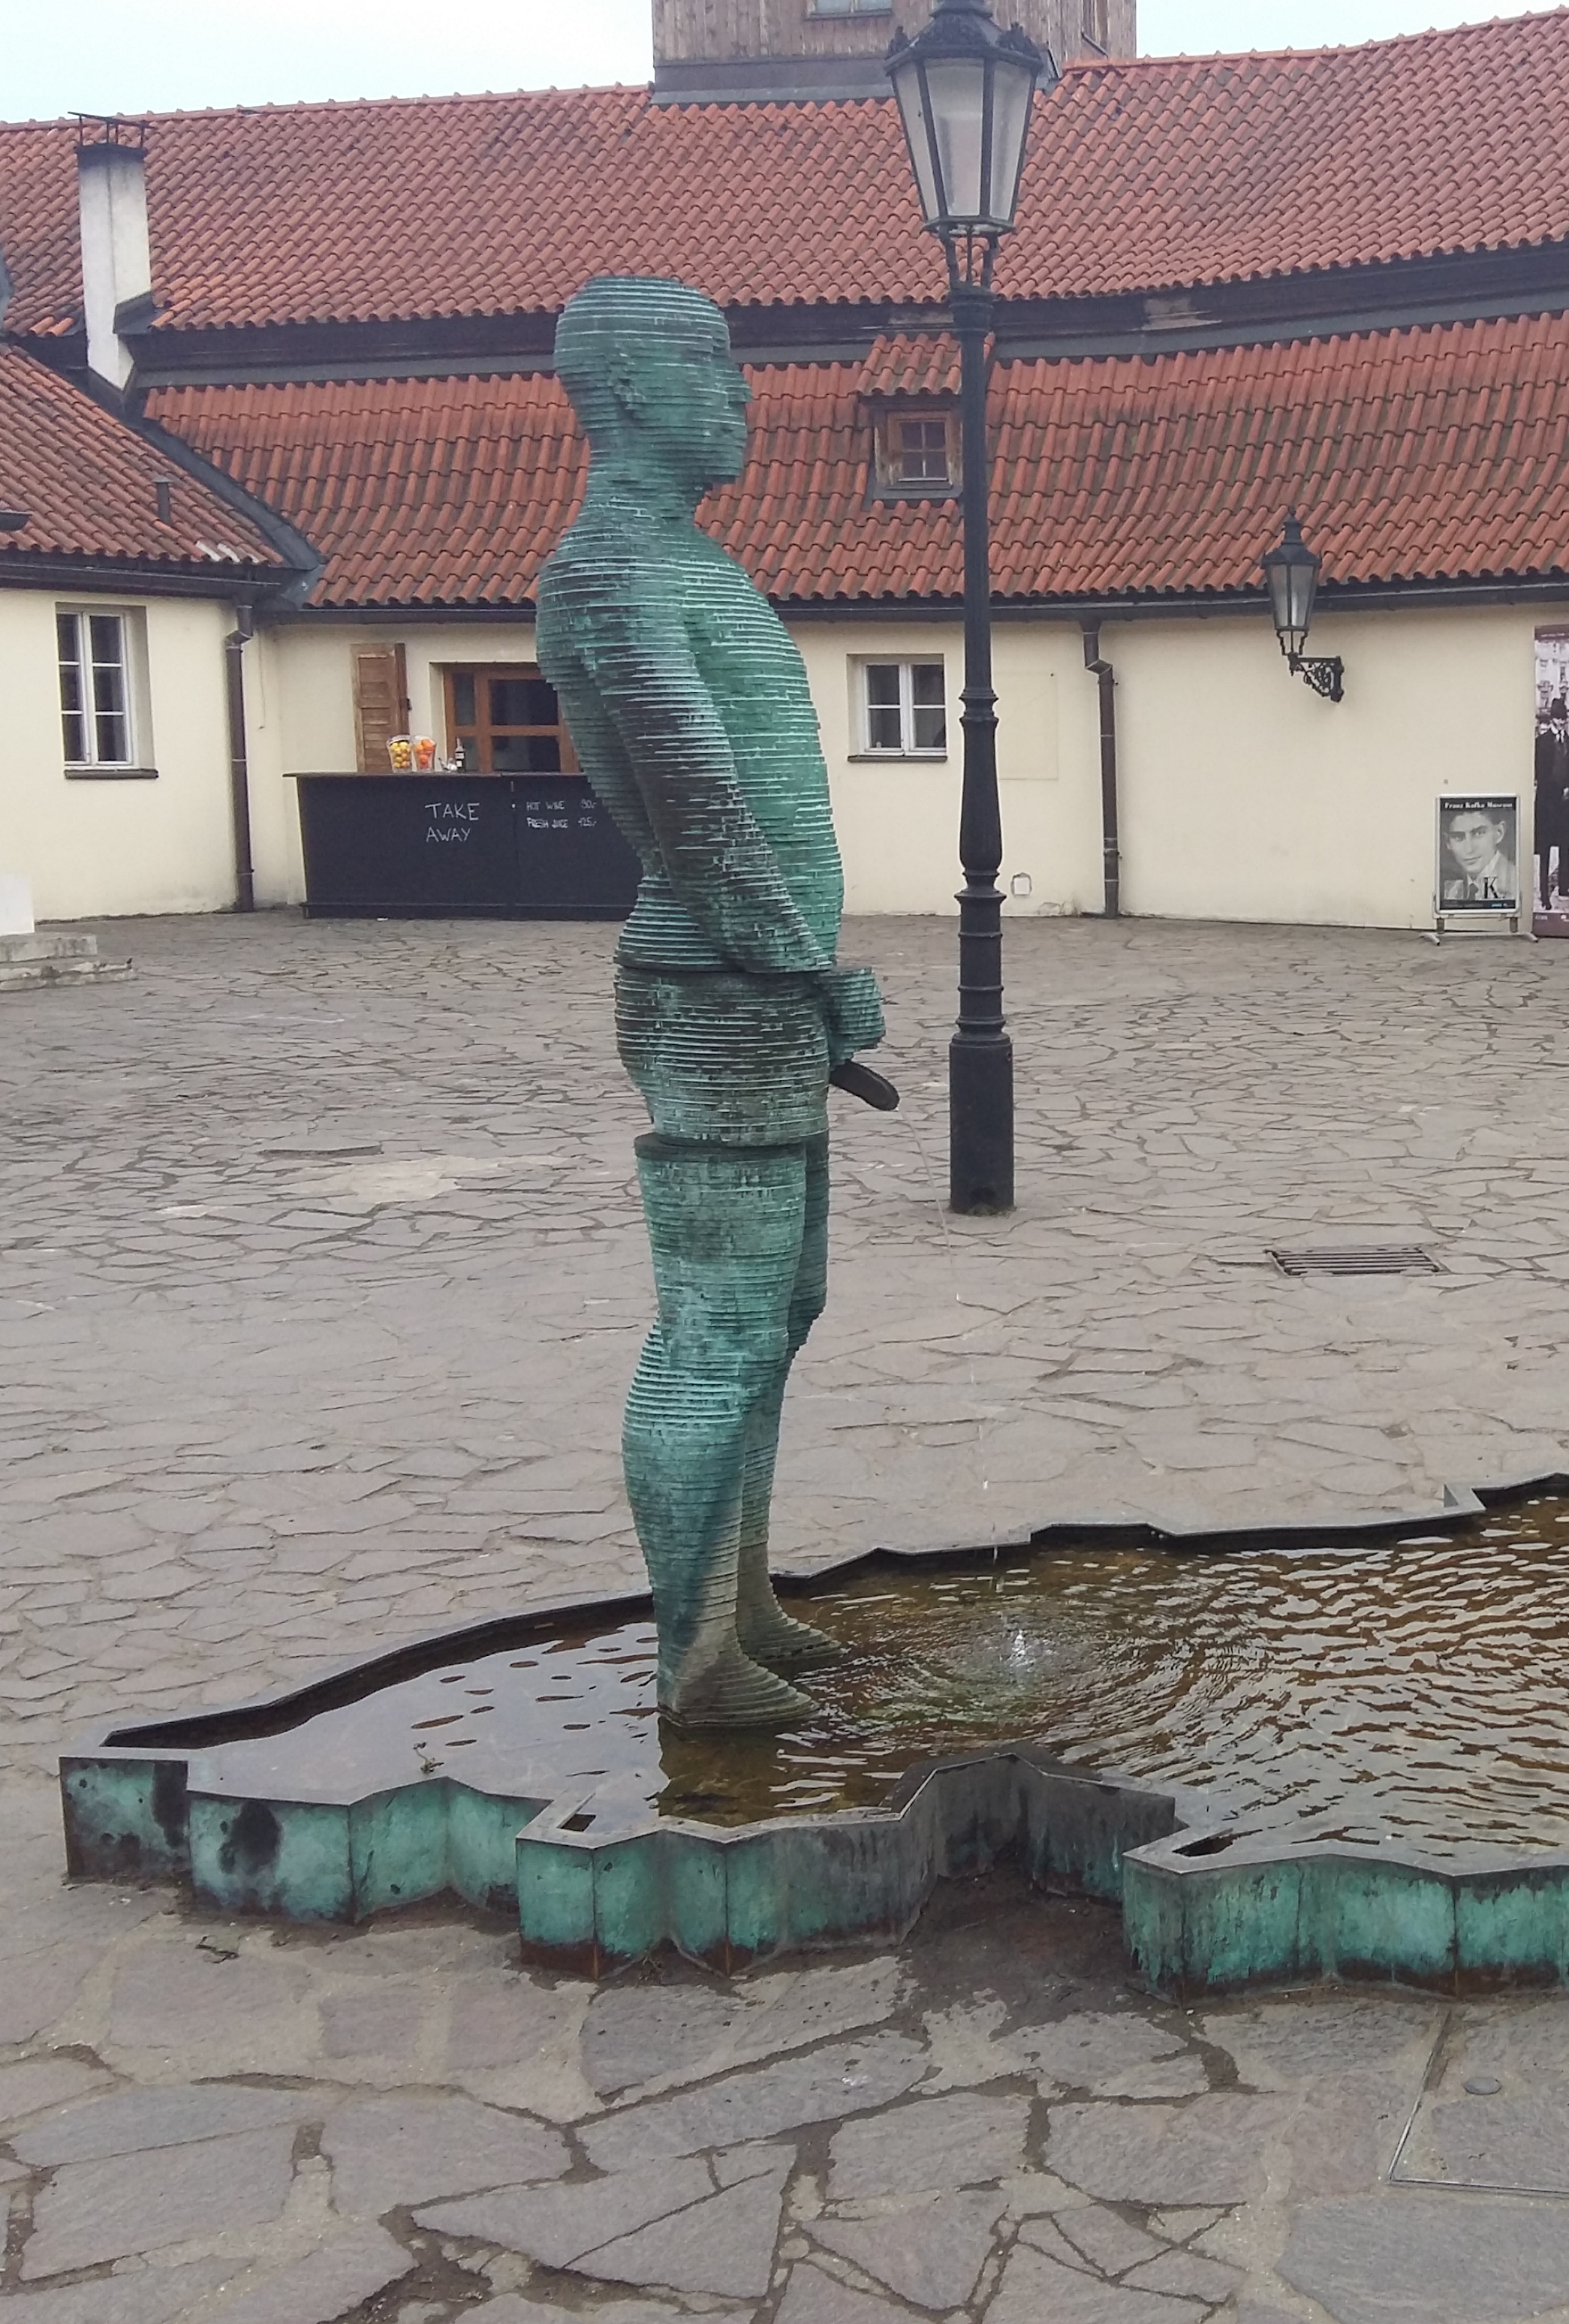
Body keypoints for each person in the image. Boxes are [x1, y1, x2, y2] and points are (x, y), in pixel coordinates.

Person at [535, 276, 887, 1727]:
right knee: (715, 1328)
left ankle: (742, 1602)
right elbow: (695, 804)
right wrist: (809, 975)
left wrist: (802, 976)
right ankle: (696, 1661)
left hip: (753, 986)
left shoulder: (683, 559)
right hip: (717, 987)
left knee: (782, 1306)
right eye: (714, 367)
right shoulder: (613, 568)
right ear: (627, 389)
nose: (744, 396)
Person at [1532, 706, 1569, 912]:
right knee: (1545, 849)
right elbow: (1541, 772)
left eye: (1564, 719)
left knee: (1565, 846)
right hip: (1547, 804)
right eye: (1558, 719)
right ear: (1553, 719)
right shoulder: (1542, 742)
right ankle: (1545, 894)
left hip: (1565, 805)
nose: (1562, 722)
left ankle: (1565, 888)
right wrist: (1556, 791)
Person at [1441, 802, 1516, 906]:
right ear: (1448, 843)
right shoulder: (1450, 889)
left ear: (1499, 833)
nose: (1469, 849)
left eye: (1479, 833)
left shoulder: (1516, 882)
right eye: (1458, 837)